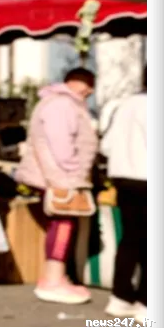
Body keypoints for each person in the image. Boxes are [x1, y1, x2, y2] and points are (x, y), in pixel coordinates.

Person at [13, 67, 99, 305]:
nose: (91, 91)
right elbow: (61, 143)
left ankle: (56, 277)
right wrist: (74, 170)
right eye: (89, 84)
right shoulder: (62, 104)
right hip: (62, 175)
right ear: (78, 82)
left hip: (58, 174)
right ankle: (52, 280)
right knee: (63, 224)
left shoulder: (57, 102)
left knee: (61, 224)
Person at [100, 66, 146, 320]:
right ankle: (145, 303)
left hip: (123, 178)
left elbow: (106, 145)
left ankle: (121, 296)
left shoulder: (123, 105)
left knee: (130, 239)